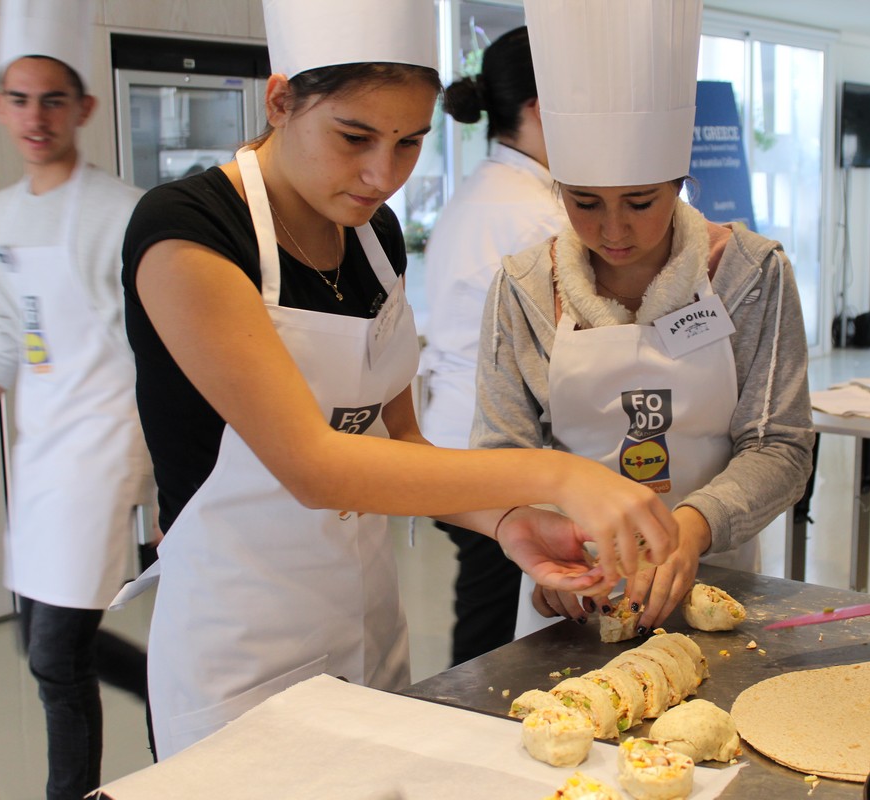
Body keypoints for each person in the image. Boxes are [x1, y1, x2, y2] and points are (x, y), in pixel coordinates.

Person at [120, 0, 676, 759]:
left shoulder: (373, 237)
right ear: (280, 101)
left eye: (411, 142)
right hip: (235, 648)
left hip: (364, 626)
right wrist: (561, 475)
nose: (383, 174)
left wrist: (507, 519)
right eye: (354, 138)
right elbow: (314, 466)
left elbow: (399, 438)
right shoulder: (187, 232)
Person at [474, 0, 814, 637]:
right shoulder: (523, 286)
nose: (613, 230)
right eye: (584, 202)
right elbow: (501, 455)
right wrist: (550, 549)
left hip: (719, 579)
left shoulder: (750, 273)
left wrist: (692, 527)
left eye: (639, 201)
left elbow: (781, 445)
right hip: (579, 588)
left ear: (679, 182)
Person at [0, 1, 151, 796]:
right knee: (41, 645)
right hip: (42, 451)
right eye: (17, 98)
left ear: (83, 107)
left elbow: (158, 350)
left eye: (52, 99)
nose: (33, 117)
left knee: (53, 657)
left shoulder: (120, 214)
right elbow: (4, 339)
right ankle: (166, 687)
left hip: (105, 447)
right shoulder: (0, 216)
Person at [418, 27, 566, 666]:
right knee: (495, 622)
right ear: (538, 107)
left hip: (451, 436)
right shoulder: (535, 215)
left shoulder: (482, 192)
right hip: (491, 446)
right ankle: (466, 725)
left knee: (482, 603)